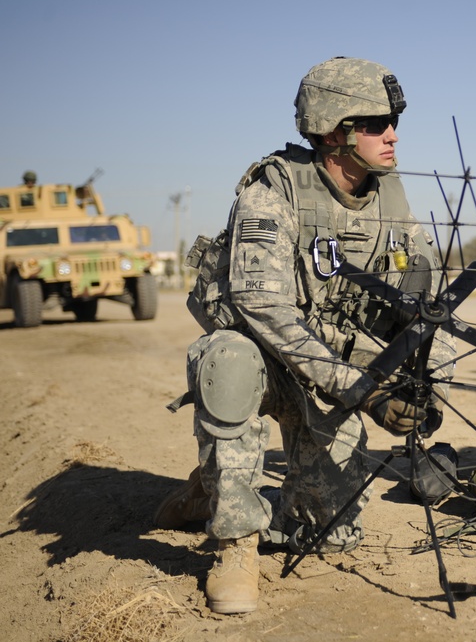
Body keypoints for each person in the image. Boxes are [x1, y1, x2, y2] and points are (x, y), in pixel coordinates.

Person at [154, 56, 454, 614]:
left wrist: (424, 378)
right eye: (374, 123)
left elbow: (421, 302)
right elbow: (260, 304)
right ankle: (236, 544)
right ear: (334, 130)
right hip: (269, 363)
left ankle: (209, 485)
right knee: (229, 357)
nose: (391, 134)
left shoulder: (392, 196)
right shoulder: (274, 188)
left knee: (329, 532)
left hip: (327, 376)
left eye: (394, 122)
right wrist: (359, 388)